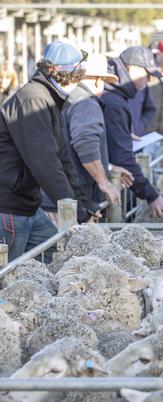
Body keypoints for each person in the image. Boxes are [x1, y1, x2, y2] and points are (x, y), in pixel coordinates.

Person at [0, 41, 99, 261]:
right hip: (9, 207)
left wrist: (85, 205)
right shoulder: (33, 99)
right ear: (57, 72)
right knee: (8, 274)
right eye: (76, 75)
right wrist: (76, 211)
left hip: (28, 205)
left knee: (54, 254)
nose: (77, 81)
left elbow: (62, 159)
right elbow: (45, 164)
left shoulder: (49, 100)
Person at [103, 46, 163, 218]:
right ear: (134, 69)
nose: (147, 81)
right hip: (92, 185)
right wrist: (151, 195)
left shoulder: (113, 93)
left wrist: (124, 133)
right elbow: (122, 157)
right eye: (147, 75)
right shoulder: (113, 102)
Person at [61, 54, 134, 208]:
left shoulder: (66, 98)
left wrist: (109, 167)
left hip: (63, 189)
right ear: (97, 80)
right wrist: (103, 181)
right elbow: (85, 143)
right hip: (79, 192)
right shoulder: (86, 102)